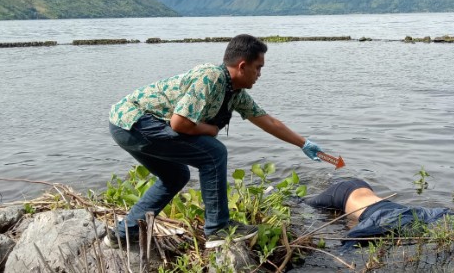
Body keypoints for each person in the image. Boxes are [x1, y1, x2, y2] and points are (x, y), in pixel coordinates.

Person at [106, 34, 325, 248]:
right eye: (258, 67)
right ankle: (217, 228)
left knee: (176, 176)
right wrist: (209, 129)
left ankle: (124, 233)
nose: (259, 74)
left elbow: (268, 121)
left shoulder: (234, 93)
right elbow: (179, 123)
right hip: (134, 122)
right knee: (214, 153)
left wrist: (303, 143)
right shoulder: (210, 77)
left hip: (126, 126)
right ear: (242, 66)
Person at [304, 178, 453, 247]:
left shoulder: (417, 213)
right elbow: (351, 237)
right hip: (340, 193)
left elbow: (442, 212)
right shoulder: (382, 221)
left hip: (362, 186)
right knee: (305, 203)